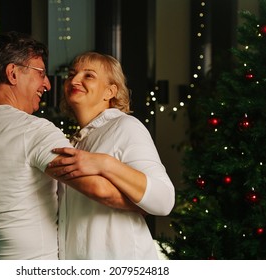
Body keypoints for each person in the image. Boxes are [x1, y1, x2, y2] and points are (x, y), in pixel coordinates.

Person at [0, 32, 138, 260]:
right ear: (13, 73)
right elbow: (101, 191)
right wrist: (149, 203)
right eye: (41, 73)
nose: (47, 84)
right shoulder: (34, 131)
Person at [48, 51, 175, 259]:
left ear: (110, 91)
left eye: (88, 75)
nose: (75, 80)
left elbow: (164, 200)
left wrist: (105, 164)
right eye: (71, 74)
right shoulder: (73, 141)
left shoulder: (125, 126)